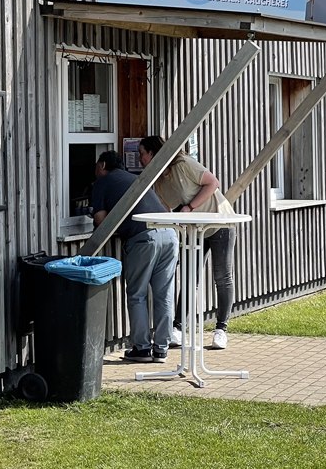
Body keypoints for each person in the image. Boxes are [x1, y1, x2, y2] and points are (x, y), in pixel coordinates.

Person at [137, 135, 235, 351]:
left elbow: (213, 183)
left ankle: (221, 330)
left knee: (222, 275)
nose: (139, 159)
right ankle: (178, 328)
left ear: (152, 153)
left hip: (218, 221)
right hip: (192, 230)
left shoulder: (184, 163)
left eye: (142, 153)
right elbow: (165, 206)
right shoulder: (159, 180)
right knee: (189, 277)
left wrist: (190, 207)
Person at [90, 150, 178, 363]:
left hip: (144, 238)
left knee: (137, 294)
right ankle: (161, 349)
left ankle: (141, 348)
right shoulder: (136, 179)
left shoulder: (102, 181)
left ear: (102, 165)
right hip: (170, 234)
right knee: (163, 294)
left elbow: (101, 221)